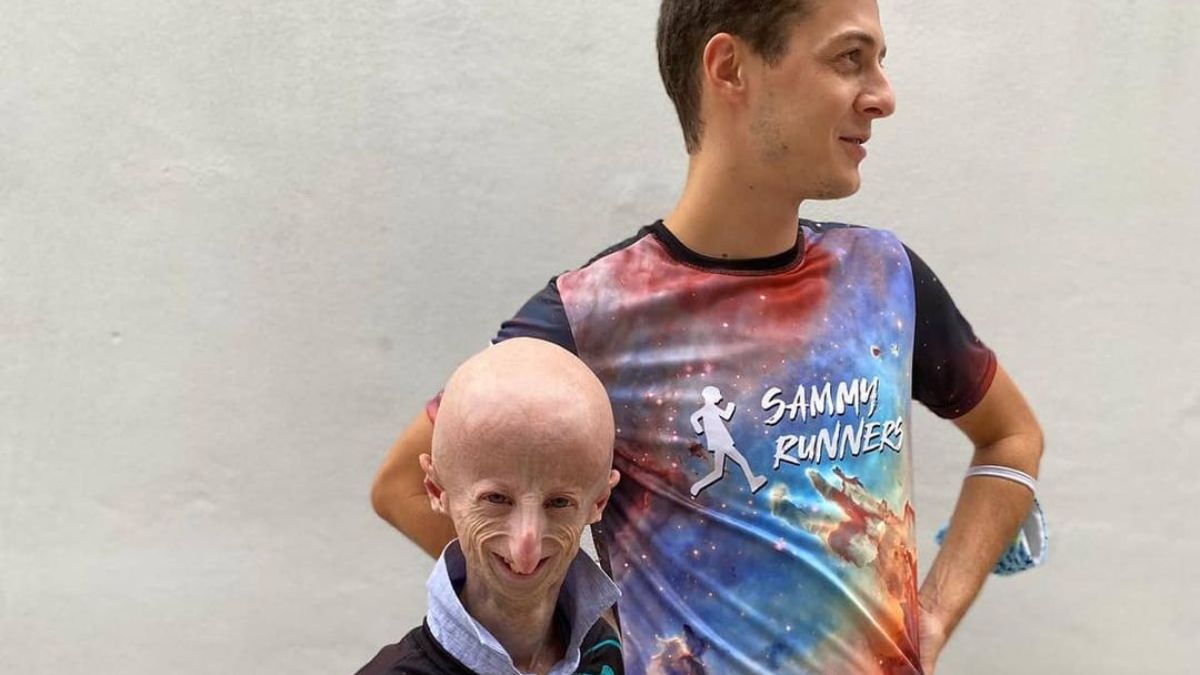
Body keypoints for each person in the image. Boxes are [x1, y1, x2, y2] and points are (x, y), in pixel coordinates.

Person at [372, 1, 1044, 673]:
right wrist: (593, 627)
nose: (882, 97)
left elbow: (1011, 435)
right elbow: (407, 484)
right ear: (729, 67)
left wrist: (933, 618)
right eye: (849, 59)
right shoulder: (598, 315)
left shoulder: (884, 277)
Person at [358, 338, 624, 675]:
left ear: (599, 501)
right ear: (437, 490)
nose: (525, 549)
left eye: (559, 503)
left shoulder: (605, 654)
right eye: (496, 499)